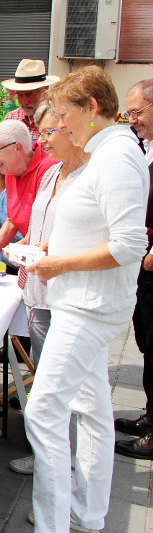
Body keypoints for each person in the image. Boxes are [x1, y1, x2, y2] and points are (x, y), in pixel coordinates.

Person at [23, 65, 148, 533]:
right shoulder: (110, 152)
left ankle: (54, 523)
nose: (60, 125)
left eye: (64, 114)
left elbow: (130, 244)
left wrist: (61, 264)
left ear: (91, 109)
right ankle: (87, 514)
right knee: (91, 409)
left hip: (88, 306)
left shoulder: (115, 156)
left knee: (44, 410)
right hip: (85, 300)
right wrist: (60, 256)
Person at [6, 103, 90, 477]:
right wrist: (24, 249)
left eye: (48, 132)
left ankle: (59, 461)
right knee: (43, 373)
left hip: (65, 292)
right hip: (37, 289)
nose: (41, 140)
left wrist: (51, 253)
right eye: (38, 132)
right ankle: (47, 453)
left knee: (61, 381)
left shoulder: (87, 177)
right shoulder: (51, 172)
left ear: (71, 131)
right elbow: (36, 226)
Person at [115, 79, 153, 460]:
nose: (132, 120)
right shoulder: (145, 149)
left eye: (138, 112)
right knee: (146, 344)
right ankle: (149, 417)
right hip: (144, 268)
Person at [0, 119, 56, 270]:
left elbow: (48, 227)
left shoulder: (47, 170)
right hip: (32, 256)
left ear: (17, 148)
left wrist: (20, 248)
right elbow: (12, 221)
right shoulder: (11, 171)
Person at [2, 59, 59, 142]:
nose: (24, 102)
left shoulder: (56, 119)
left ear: (45, 90)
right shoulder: (10, 119)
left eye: (29, 95)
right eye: (20, 95)